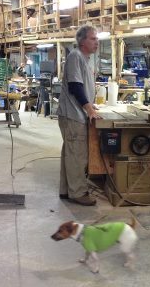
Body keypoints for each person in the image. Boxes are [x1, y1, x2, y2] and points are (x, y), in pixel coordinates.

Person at [56, 25, 101, 206]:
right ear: (82, 41)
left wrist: (91, 104)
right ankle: (78, 193)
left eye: (97, 39)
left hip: (74, 113)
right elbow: (75, 86)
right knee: (77, 156)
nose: (96, 42)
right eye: (93, 39)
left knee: (70, 153)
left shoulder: (84, 59)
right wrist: (89, 109)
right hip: (73, 115)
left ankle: (67, 190)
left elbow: (82, 86)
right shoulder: (76, 56)